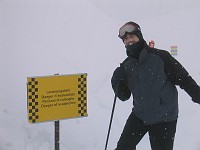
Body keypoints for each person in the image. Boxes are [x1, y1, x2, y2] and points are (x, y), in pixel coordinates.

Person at [111, 21, 200, 150]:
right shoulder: (127, 66)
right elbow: (124, 95)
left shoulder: (161, 57)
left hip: (163, 118)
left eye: (132, 36)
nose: (129, 40)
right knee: (123, 147)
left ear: (139, 36)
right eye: (126, 38)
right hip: (139, 115)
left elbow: (184, 80)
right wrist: (116, 81)